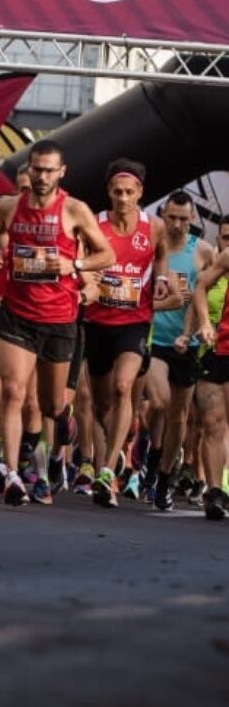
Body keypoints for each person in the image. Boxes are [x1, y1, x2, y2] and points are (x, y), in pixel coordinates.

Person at [0, 139, 114, 506]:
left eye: (48, 170)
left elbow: (105, 254)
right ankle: (12, 473)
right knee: (12, 393)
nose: (41, 176)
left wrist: (74, 265)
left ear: (61, 172)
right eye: (36, 169)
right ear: (28, 169)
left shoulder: (75, 210)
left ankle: (63, 420)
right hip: (17, 315)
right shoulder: (10, 207)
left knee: (50, 405)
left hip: (59, 319)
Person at [82, 160, 170, 507]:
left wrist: (160, 279)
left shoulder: (154, 227)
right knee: (103, 404)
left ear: (140, 194)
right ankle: (120, 439)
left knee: (123, 387)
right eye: (117, 192)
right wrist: (89, 280)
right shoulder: (94, 224)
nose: (122, 198)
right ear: (108, 192)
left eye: (129, 192)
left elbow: (160, 257)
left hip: (135, 320)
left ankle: (107, 469)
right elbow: (81, 258)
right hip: (98, 321)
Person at [143, 191, 216, 511]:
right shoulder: (152, 246)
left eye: (184, 219)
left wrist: (199, 324)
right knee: (159, 400)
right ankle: (153, 451)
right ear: (163, 214)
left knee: (180, 417)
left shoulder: (202, 251)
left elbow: (209, 293)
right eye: (172, 217)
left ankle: (163, 477)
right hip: (154, 337)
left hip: (186, 343)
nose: (177, 224)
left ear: (193, 220)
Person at [192, 226, 229, 521]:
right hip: (222, 347)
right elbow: (201, 286)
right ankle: (214, 492)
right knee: (211, 421)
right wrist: (204, 322)